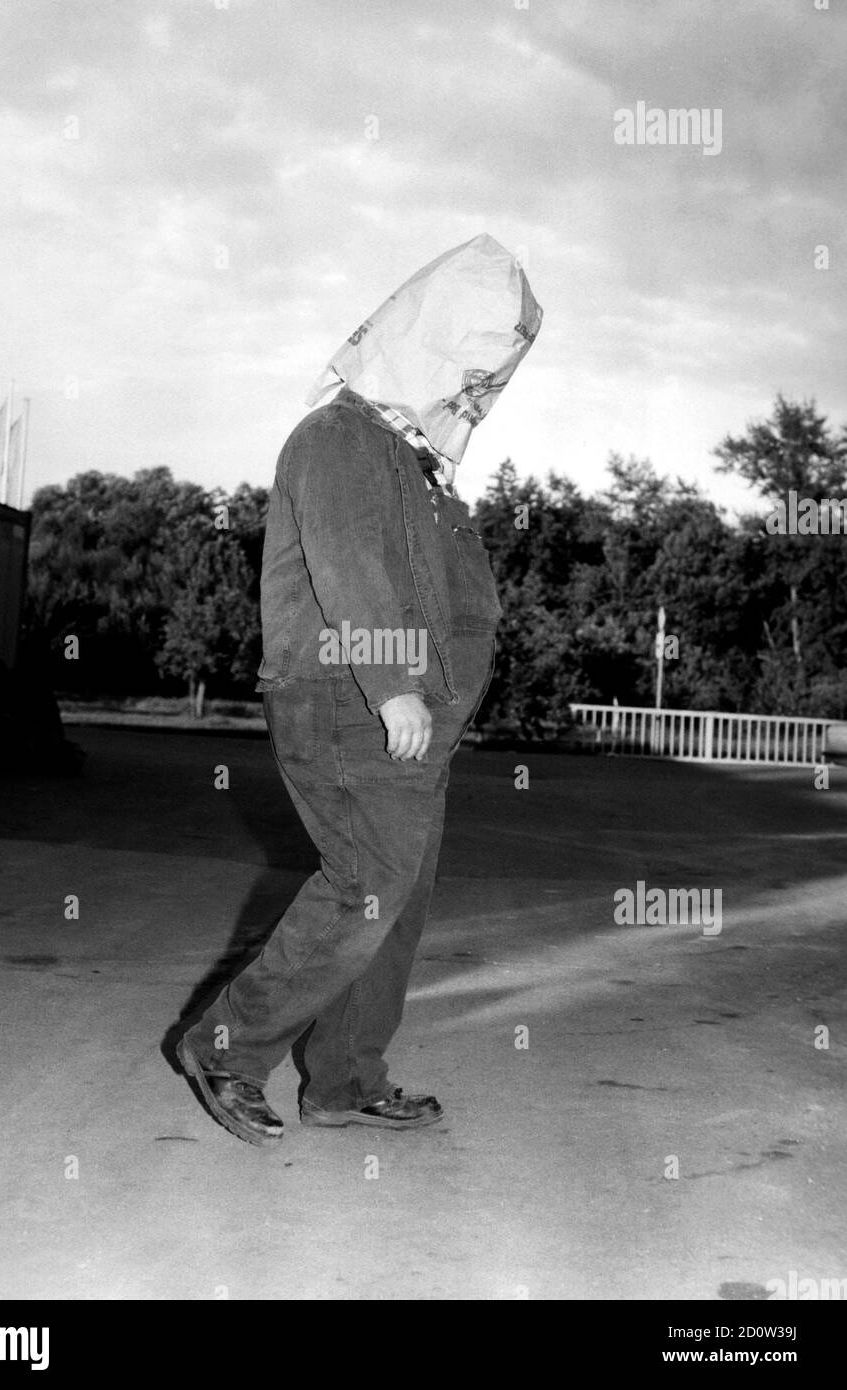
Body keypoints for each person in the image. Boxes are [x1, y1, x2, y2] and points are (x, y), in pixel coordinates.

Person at [178, 233, 542, 1145]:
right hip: (348, 700)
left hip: (411, 717)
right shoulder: (338, 438)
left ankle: (343, 1078)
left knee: (397, 898)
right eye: (470, 369)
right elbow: (351, 572)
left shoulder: (415, 464)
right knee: (365, 885)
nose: (476, 394)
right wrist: (394, 689)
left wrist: (445, 694)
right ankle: (225, 1046)